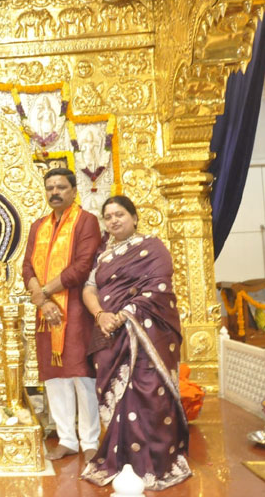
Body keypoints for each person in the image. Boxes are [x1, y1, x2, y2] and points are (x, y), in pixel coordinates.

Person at [80, 195, 191, 490]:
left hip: (146, 335)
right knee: (121, 399)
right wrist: (101, 315)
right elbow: (89, 289)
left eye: (119, 214)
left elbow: (159, 288)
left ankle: (155, 461)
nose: (113, 220)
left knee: (148, 393)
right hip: (110, 335)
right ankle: (123, 459)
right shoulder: (103, 254)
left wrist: (124, 314)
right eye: (108, 216)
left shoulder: (152, 247)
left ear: (134, 217)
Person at [21, 167, 101, 462]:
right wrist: (43, 301)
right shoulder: (38, 226)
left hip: (77, 310)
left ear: (74, 191)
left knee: (82, 375)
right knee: (55, 378)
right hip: (46, 313)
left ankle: (90, 440)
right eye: (50, 188)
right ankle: (67, 439)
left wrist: (43, 292)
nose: (54, 192)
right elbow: (27, 267)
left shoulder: (86, 221)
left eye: (61, 187)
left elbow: (82, 266)